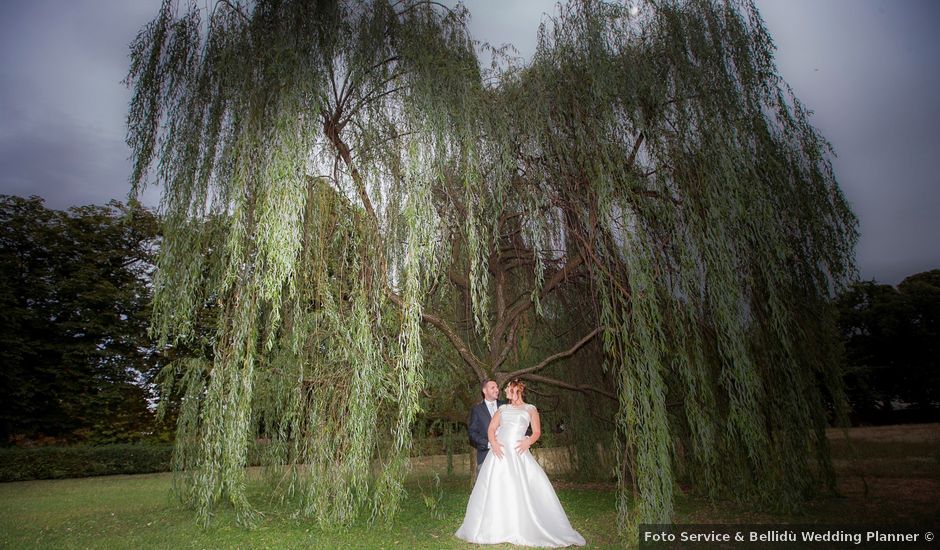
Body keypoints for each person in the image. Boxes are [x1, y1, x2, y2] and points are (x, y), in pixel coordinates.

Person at [455, 379, 585, 547]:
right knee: (496, 488)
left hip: (518, 454)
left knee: (520, 488)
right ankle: (497, 526)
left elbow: (537, 432)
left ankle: (522, 524)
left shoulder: (530, 409)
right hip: (499, 455)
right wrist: (493, 443)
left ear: (517, 390)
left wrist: (527, 442)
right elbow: (491, 429)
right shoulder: (503, 408)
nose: (505, 391)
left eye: (509, 388)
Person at [467, 379, 504, 470]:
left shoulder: (505, 406)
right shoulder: (477, 410)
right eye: (493, 387)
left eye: (497, 387)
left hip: (506, 455)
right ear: (484, 391)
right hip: (485, 456)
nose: (497, 390)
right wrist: (489, 443)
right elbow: (472, 433)